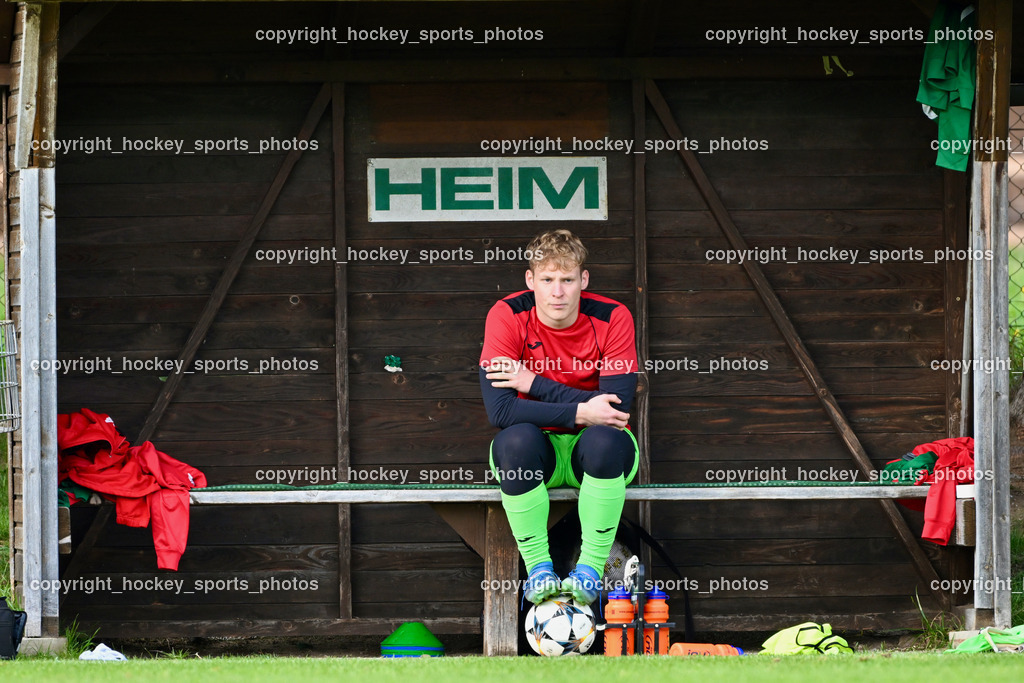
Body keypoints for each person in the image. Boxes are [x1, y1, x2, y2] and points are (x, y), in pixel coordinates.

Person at [479, 229, 639, 606]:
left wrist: (533, 382)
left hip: (599, 454)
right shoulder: (507, 315)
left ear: (583, 280)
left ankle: (590, 570)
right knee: (514, 441)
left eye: (567, 280)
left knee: (604, 438)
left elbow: (614, 412)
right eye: (548, 279)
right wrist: (583, 409)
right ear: (530, 279)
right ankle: (538, 570)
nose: (557, 292)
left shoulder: (613, 316)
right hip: (538, 453)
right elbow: (500, 410)